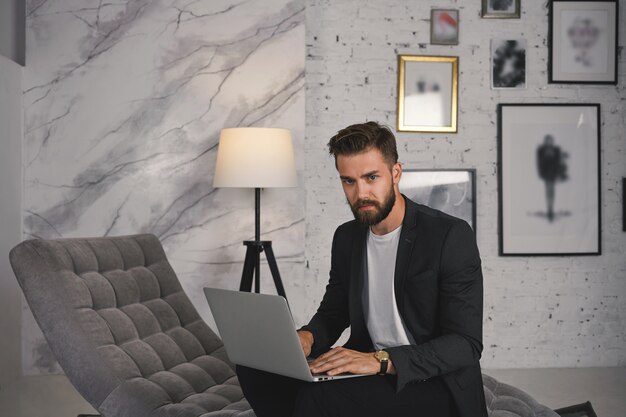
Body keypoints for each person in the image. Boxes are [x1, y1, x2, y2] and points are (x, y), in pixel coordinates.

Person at [237, 121, 487, 417]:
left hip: (431, 383)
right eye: (349, 181)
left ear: (395, 173)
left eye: (371, 177)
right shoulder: (347, 237)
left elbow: (465, 344)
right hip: (368, 369)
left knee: (320, 398)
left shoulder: (449, 235)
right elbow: (334, 312)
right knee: (255, 368)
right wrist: (306, 338)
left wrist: (381, 360)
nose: (361, 194)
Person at [536, 134, 568, 222]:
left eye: (550, 140)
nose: (549, 142)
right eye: (547, 140)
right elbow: (539, 162)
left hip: (553, 173)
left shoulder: (556, 150)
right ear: (545, 141)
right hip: (547, 174)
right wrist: (541, 173)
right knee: (549, 191)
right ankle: (550, 210)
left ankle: (550, 210)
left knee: (551, 192)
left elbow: (559, 161)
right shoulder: (541, 150)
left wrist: (559, 173)